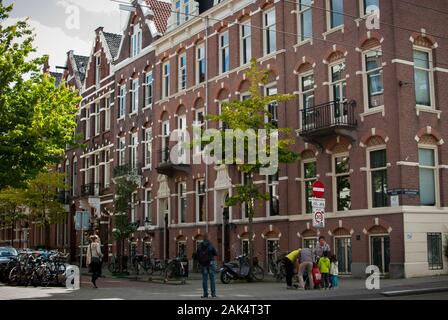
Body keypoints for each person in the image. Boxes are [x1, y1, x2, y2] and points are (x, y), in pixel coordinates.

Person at [195, 234, 218, 298]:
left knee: (204, 279)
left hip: (203, 265)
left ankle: (205, 294)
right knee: (212, 279)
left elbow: (197, 255)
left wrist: (200, 262)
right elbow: (216, 253)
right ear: (208, 238)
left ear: (203, 238)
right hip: (211, 264)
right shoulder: (211, 245)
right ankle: (213, 294)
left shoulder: (200, 245)